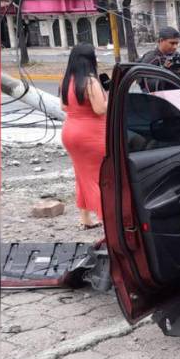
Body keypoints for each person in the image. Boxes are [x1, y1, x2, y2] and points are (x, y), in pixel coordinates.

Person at [59, 43, 107, 229]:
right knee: (99, 177)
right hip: (91, 134)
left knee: (82, 175)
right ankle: (107, 219)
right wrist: (109, 98)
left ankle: (85, 219)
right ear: (90, 59)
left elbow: (64, 107)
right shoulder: (90, 82)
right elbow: (100, 109)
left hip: (70, 131)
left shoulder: (66, 80)